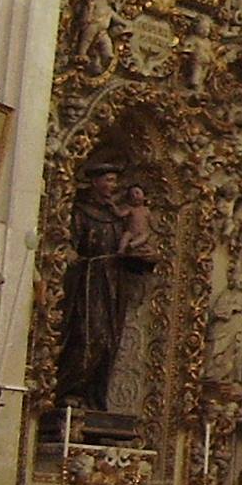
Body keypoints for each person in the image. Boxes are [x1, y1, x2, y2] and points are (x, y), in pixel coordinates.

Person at [55, 164, 153, 410]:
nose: (112, 186)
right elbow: (68, 243)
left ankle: (94, 397)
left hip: (113, 283)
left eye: (114, 181)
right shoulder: (82, 211)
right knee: (90, 335)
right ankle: (70, 390)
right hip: (88, 281)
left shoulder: (116, 216)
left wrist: (140, 257)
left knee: (109, 341)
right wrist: (70, 253)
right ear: (95, 182)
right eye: (108, 180)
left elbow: (128, 245)